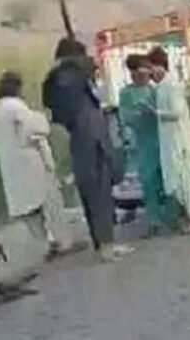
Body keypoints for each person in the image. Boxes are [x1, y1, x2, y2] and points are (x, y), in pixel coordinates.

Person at [42, 38, 134, 262]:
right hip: (92, 139)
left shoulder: (56, 81)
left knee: (92, 193)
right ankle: (106, 246)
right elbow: (86, 70)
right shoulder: (71, 76)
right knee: (99, 193)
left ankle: (102, 243)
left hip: (80, 138)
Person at [0, 71, 87, 260]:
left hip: (11, 167)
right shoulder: (16, 107)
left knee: (28, 210)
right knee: (51, 202)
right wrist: (44, 120)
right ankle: (63, 242)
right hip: (31, 162)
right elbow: (35, 131)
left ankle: (45, 244)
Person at [147, 46, 190, 233]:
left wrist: (156, 113)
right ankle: (188, 215)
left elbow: (178, 112)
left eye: (151, 68)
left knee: (187, 177)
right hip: (170, 141)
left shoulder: (172, 85)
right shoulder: (160, 87)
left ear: (160, 66)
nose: (150, 73)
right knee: (176, 179)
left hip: (179, 140)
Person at [118, 54, 176, 237]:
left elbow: (166, 112)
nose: (141, 77)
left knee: (166, 179)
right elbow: (125, 117)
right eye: (136, 73)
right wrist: (137, 116)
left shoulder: (155, 90)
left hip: (160, 139)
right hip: (142, 142)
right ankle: (153, 220)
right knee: (148, 181)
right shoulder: (126, 93)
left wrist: (154, 113)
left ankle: (172, 216)